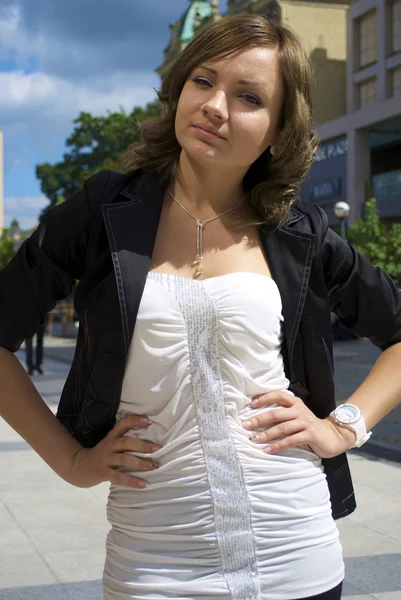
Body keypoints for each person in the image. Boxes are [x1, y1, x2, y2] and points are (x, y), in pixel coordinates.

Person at [0, 14, 400, 600]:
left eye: (249, 97)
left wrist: (343, 426)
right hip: (152, 560)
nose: (216, 107)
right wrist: (72, 462)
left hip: (296, 554)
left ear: (278, 128)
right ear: (181, 86)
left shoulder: (299, 233)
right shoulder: (103, 209)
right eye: (204, 81)